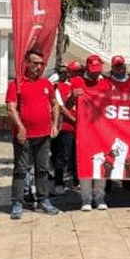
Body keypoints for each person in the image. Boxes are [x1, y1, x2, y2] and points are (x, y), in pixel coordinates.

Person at [5, 50, 61, 219]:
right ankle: (17, 202)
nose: (39, 67)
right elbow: (10, 108)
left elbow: (55, 105)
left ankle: (43, 200)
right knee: (21, 170)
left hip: (43, 136)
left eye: (41, 64)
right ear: (27, 64)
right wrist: (20, 128)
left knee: (42, 169)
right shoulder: (16, 84)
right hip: (24, 137)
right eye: (35, 63)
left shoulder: (46, 84)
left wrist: (54, 124)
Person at [70, 55, 112, 211]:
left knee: (103, 163)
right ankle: (86, 198)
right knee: (85, 162)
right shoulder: (77, 82)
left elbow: (113, 104)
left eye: (98, 71)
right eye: (93, 71)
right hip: (84, 130)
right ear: (87, 68)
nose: (95, 74)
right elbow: (68, 105)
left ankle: (99, 196)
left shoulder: (106, 84)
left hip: (102, 130)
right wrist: (72, 96)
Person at [52, 60, 82, 194]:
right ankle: (58, 182)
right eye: (73, 71)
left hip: (81, 128)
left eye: (78, 71)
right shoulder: (59, 86)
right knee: (62, 156)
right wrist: (73, 119)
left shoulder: (82, 85)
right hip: (66, 126)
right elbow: (61, 107)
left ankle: (77, 181)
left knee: (78, 156)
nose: (75, 74)